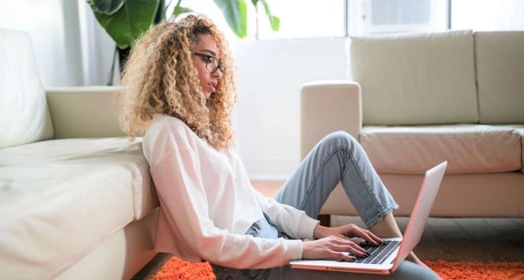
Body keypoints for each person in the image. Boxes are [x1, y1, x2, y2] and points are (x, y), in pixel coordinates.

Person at [119, 14, 439, 280]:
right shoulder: (169, 134)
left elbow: (254, 200)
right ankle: (401, 262)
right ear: (175, 64)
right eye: (208, 60)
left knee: (340, 145)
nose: (218, 72)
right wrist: (303, 249)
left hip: (271, 236)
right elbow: (203, 239)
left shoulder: (204, 126)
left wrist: (316, 232)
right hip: (251, 268)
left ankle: (399, 250)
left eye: (220, 63)